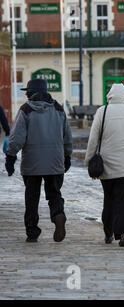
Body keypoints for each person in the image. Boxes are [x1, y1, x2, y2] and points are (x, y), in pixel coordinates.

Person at [5, 79, 73, 243]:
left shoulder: (26, 110)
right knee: (54, 193)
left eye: (27, 91)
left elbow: (17, 138)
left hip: (32, 163)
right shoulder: (58, 108)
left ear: (31, 92)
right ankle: (58, 215)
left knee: (32, 198)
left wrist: (11, 156)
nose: (26, 94)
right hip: (55, 161)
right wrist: (67, 155)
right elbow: (67, 135)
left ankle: (32, 231)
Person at [85, 83, 124, 248]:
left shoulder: (102, 112)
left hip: (107, 163)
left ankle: (108, 233)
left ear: (109, 96)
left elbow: (93, 139)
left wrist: (89, 159)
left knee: (109, 198)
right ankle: (123, 233)